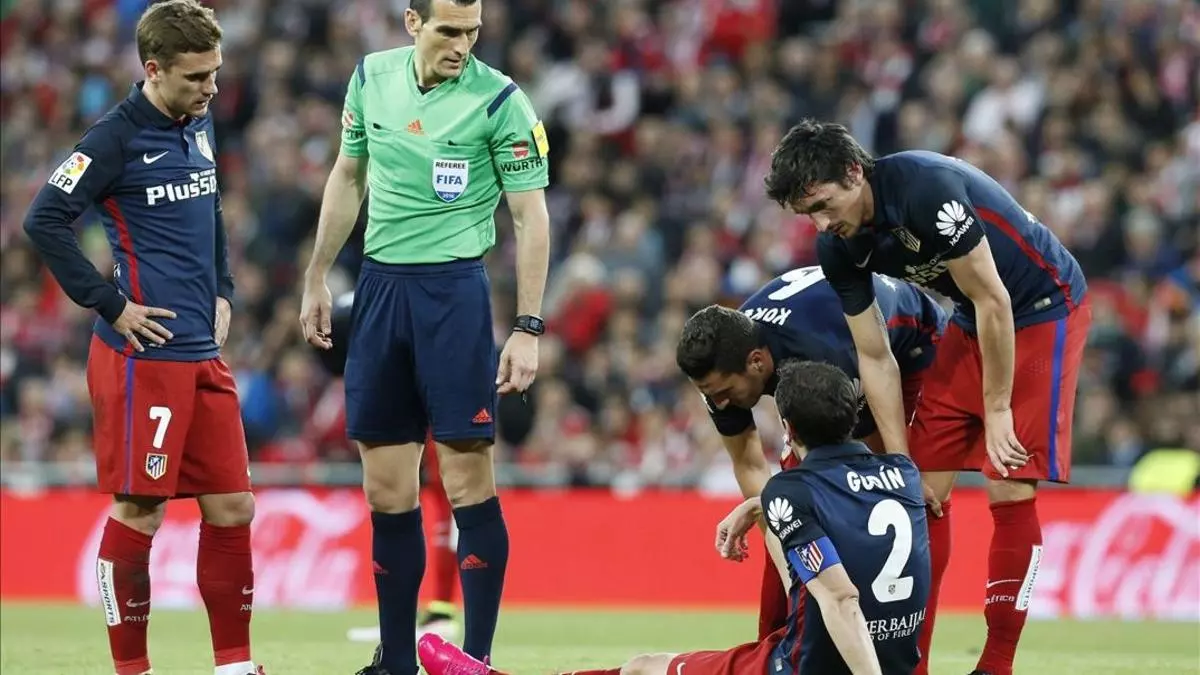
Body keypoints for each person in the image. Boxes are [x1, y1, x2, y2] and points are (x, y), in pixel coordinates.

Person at [765, 119, 1091, 675]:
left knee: (1008, 480)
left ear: (853, 172)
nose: (821, 224)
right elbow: (874, 356)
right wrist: (898, 462)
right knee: (920, 495)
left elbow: (995, 298)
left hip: (1042, 305)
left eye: (823, 205)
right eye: (807, 214)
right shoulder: (839, 247)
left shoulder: (926, 191)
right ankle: (911, 666)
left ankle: (996, 664)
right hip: (971, 316)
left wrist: (997, 408)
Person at [297, 0, 551, 672]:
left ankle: (477, 658)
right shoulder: (370, 77)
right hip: (380, 291)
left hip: (454, 296)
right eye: (449, 30)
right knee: (386, 489)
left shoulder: (501, 102)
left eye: (473, 31)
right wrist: (317, 274)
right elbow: (348, 174)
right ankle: (397, 661)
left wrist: (527, 326)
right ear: (413, 23)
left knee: (467, 481)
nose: (463, 45)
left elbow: (530, 218)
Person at [21, 2, 263, 674]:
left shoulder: (200, 120)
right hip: (143, 357)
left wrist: (223, 289)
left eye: (214, 72)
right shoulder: (113, 138)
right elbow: (43, 220)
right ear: (153, 69)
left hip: (201, 352)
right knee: (141, 510)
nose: (211, 87)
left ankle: (234, 666)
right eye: (196, 77)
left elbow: (210, 207)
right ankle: (132, 669)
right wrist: (110, 303)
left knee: (234, 505)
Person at [416, 361, 931, 675]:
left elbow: (840, 598)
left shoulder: (791, 490)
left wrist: (768, 499)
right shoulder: (904, 475)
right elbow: (847, 504)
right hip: (895, 662)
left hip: (806, 666)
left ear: (788, 429)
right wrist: (759, 505)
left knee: (644, 668)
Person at [674, 268, 945, 640]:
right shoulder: (724, 367)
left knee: (907, 499)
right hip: (837, 358)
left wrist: (904, 471)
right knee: (791, 507)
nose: (719, 403)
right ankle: (776, 649)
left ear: (757, 363)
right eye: (709, 393)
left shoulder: (823, 354)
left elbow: (878, 371)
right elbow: (750, 465)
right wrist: (791, 562)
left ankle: (910, 655)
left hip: (909, 346)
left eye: (723, 392)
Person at [317, 294, 463, 645]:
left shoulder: (388, 301)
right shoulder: (381, 299)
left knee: (446, 507)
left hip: (432, 403)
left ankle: (441, 612)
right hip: (407, 400)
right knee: (403, 506)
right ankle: (405, 619)